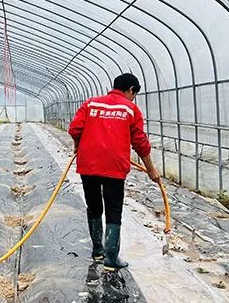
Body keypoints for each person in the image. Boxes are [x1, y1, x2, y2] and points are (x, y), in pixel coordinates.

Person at [68, 73, 160, 275]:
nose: (133, 97)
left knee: (93, 206)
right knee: (113, 210)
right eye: (134, 94)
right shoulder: (130, 109)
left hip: (88, 164)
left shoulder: (91, 104)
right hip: (114, 167)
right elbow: (140, 143)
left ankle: (97, 251)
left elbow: (75, 129)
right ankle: (111, 259)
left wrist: (77, 145)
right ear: (131, 90)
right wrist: (151, 170)